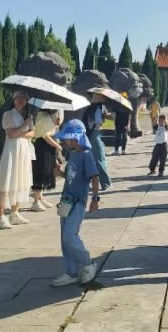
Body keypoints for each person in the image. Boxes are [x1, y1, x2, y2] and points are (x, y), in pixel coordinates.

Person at [51, 119, 101, 287]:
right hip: (66, 201)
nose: (65, 140)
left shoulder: (86, 155)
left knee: (69, 236)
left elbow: (94, 177)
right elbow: (71, 176)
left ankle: (88, 263)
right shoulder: (73, 154)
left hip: (78, 201)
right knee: (64, 238)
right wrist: (60, 173)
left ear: (76, 138)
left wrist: (95, 199)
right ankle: (71, 271)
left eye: (67, 137)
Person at [0, 90, 35, 229]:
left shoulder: (28, 116)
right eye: (18, 98)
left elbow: (33, 133)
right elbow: (11, 133)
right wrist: (24, 127)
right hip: (12, 151)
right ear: (13, 100)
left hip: (24, 150)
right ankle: (0, 217)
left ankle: (14, 213)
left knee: (21, 180)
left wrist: (23, 130)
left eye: (24, 98)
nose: (21, 100)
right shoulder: (8, 115)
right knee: (6, 181)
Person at [31, 110, 64, 212]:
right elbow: (45, 135)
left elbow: (49, 131)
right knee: (40, 173)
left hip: (47, 148)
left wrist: (56, 124)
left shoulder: (47, 115)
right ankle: (36, 201)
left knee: (45, 172)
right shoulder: (42, 116)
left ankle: (40, 198)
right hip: (42, 147)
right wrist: (57, 145)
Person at [84, 94, 112, 190]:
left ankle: (87, 183)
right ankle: (105, 183)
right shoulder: (99, 107)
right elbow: (98, 123)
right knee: (100, 159)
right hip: (95, 134)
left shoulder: (90, 107)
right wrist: (105, 117)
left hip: (89, 135)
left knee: (90, 160)